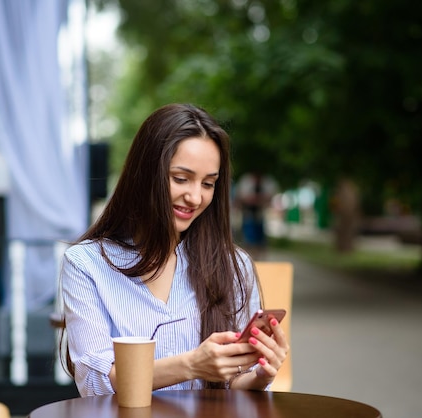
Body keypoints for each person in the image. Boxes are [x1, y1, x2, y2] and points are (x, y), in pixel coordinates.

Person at [60, 103, 289, 396]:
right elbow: (96, 386)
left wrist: (259, 375)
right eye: (180, 178)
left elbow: (233, 384)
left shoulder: (234, 264)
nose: (195, 197)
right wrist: (192, 365)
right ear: (144, 175)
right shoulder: (86, 264)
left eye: (208, 183)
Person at [234, 171, 278, 250]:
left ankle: (257, 254)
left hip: (259, 213)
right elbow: (242, 198)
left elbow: (268, 198)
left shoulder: (265, 183)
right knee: (249, 235)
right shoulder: (246, 182)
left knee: (259, 237)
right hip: (248, 212)